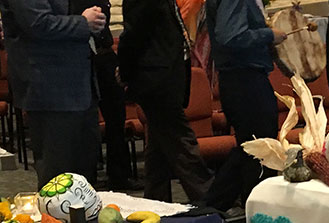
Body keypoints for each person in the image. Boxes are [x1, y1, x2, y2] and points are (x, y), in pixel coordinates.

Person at [0, 0, 104, 189]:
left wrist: (95, 20)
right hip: (50, 88)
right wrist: (83, 22)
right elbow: (38, 24)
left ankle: (81, 219)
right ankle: (53, 220)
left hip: (80, 87)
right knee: (57, 181)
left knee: (84, 182)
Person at [118, 0, 214, 203]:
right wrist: (125, 73)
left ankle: (155, 201)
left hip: (165, 77)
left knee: (158, 148)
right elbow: (133, 36)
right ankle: (212, 200)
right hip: (157, 80)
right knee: (182, 144)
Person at [203, 0, 288, 211]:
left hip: (241, 79)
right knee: (260, 149)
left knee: (252, 149)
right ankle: (255, 213)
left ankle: (213, 209)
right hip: (245, 80)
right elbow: (230, 35)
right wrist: (269, 35)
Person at [71, 0, 140, 190]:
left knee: (117, 117)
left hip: (105, 54)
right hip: (85, 58)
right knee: (87, 120)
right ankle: (87, 176)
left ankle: (119, 175)